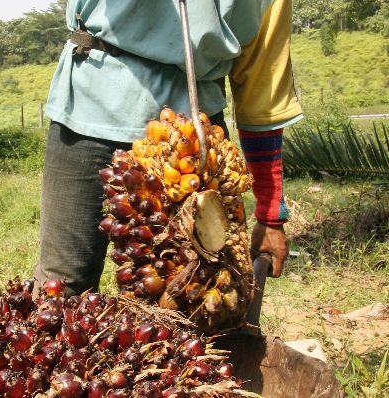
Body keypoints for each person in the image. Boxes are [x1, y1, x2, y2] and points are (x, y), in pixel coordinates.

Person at [33, 0, 302, 299]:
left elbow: (262, 86)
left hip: (194, 136)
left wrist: (270, 215)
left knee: (197, 292)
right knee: (61, 289)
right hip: (91, 107)